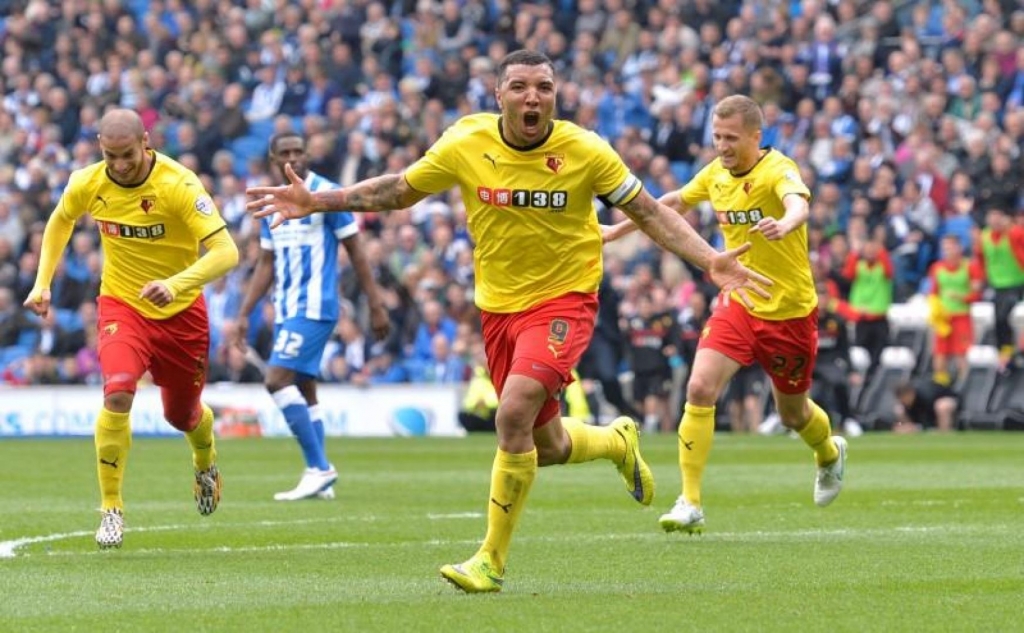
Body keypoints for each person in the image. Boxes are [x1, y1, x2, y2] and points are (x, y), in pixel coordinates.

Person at [246, 50, 771, 593]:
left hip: (565, 301)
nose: (533, 97)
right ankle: (617, 441)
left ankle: (489, 561)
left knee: (513, 410)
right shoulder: (466, 142)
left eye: (543, 87)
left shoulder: (586, 150)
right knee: (548, 445)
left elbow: (649, 212)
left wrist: (709, 258)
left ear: (555, 95)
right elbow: (398, 190)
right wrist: (319, 202)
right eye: (519, 87)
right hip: (498, 309)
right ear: (499, 96)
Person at [604, 94, 848, 535]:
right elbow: (669, 204)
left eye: (731, 137)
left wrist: (787, 223)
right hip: (738, 302)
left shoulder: (778, 169)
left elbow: (798, 202)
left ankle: (829, 453)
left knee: (792, 414)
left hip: (789, 311)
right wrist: (617, 230)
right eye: (717, 136)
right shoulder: (715, 174)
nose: (722, 145)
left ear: (757, 136)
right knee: (699, 387)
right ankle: (690, 501)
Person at [22, 109, 239, 549]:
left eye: (127, 155)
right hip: (122, 304)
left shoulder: (179, 184)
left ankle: (204, 458)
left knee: (183, 416)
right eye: (110, 155)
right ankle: (111, 510)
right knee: (118, 390)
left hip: (181, 313)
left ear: (146, 141)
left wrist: (176, 284)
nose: (119, 165)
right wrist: (42, 282)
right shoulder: (88, 181)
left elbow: (226, 251)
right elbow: (61, 220)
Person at [235, 131, 390, 501]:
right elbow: (266, 262)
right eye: (285, 152)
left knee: (275, 380)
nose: (294, 157)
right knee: (304, 388)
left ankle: (318, 467)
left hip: (315, 306)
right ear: (274, 161)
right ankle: (322, 480)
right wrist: (244, 312)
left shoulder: (326, 194)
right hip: (287, 309)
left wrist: (376, 303)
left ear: (307, 154)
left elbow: (356, 250)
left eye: (299, 151)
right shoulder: (272, 202)